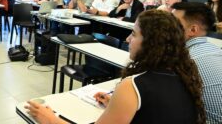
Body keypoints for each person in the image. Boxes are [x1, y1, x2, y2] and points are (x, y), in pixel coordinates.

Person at [26, 9, 205, 124]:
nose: (127, 40)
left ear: (151, 43)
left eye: (133, 34)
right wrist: (118, 104)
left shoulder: (133, 85)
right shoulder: (186, 74)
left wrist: (49, 119)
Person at [172, 2, 222, 122]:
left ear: (193, 29)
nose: (167, 27)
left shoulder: (184, 61)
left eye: (173, 23)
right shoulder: (216, 49)